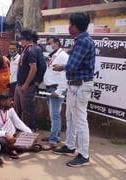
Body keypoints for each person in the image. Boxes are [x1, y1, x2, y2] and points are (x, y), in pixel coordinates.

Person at [53, 12, 95, 167]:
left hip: (81, 85)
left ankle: (84, 155)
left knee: (80, 120)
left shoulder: (83, 41)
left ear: (75, 26)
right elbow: (71, 54)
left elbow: (72, 65)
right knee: (70, 116)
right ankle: (70, 146)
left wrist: (60, 66)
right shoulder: (79, 40)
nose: (68, 27)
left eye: (70, 24)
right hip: (74, 84)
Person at [0, 92, 33, 159]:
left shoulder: (10, 109)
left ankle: (12, 149)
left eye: (12, 100)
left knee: (18, 136)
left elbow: (18, 123)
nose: (12, 102)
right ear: (3, 102)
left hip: (7, 133)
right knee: (3, 141)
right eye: (10, 100)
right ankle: (23, 148)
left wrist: (30, 133)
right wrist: (5, 134)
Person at [41, 36, 69, 151]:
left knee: (55, 115)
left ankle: (52, 142)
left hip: (56, 88)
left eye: (50, 43)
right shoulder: (53, 55)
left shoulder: (63, 56)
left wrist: (59, 91)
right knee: (53, 115)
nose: (48, 45)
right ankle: (55, 136)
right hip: (49, 88)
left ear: (57, 43)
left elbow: (66, 75)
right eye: (47, 43)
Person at [14, 29, 38, 131]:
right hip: (19, 84)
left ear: (26, 38)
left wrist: (26, 84)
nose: (21, 40)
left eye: (22, 38)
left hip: (26, 87)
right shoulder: (25, 49)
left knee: (27, 111)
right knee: (17, 108)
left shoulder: (30, 50)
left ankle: (29, 132)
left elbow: (33, 68)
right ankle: (20, 129)